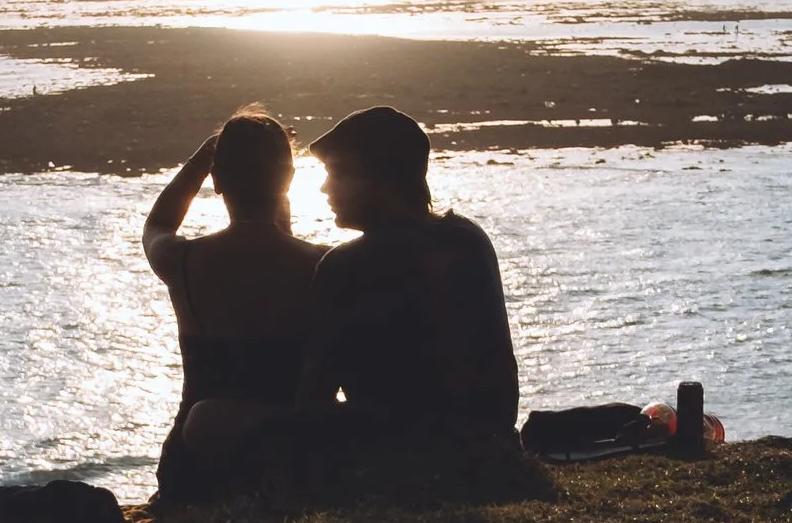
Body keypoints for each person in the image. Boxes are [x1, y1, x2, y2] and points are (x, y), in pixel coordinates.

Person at [297, 104, 519, 443]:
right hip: (488, 442)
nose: (326, 188)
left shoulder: (345, 265)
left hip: (399, 454)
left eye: (340, 173)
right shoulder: (469, 238)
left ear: (384, 179)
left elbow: (315, 392)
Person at [142, 107, 323, 493]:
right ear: (288, 181)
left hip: (195, 460)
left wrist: (198, 164)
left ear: (217, 180)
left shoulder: (184, 259)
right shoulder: (322, 263)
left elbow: (157, 225)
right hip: (289, 457)